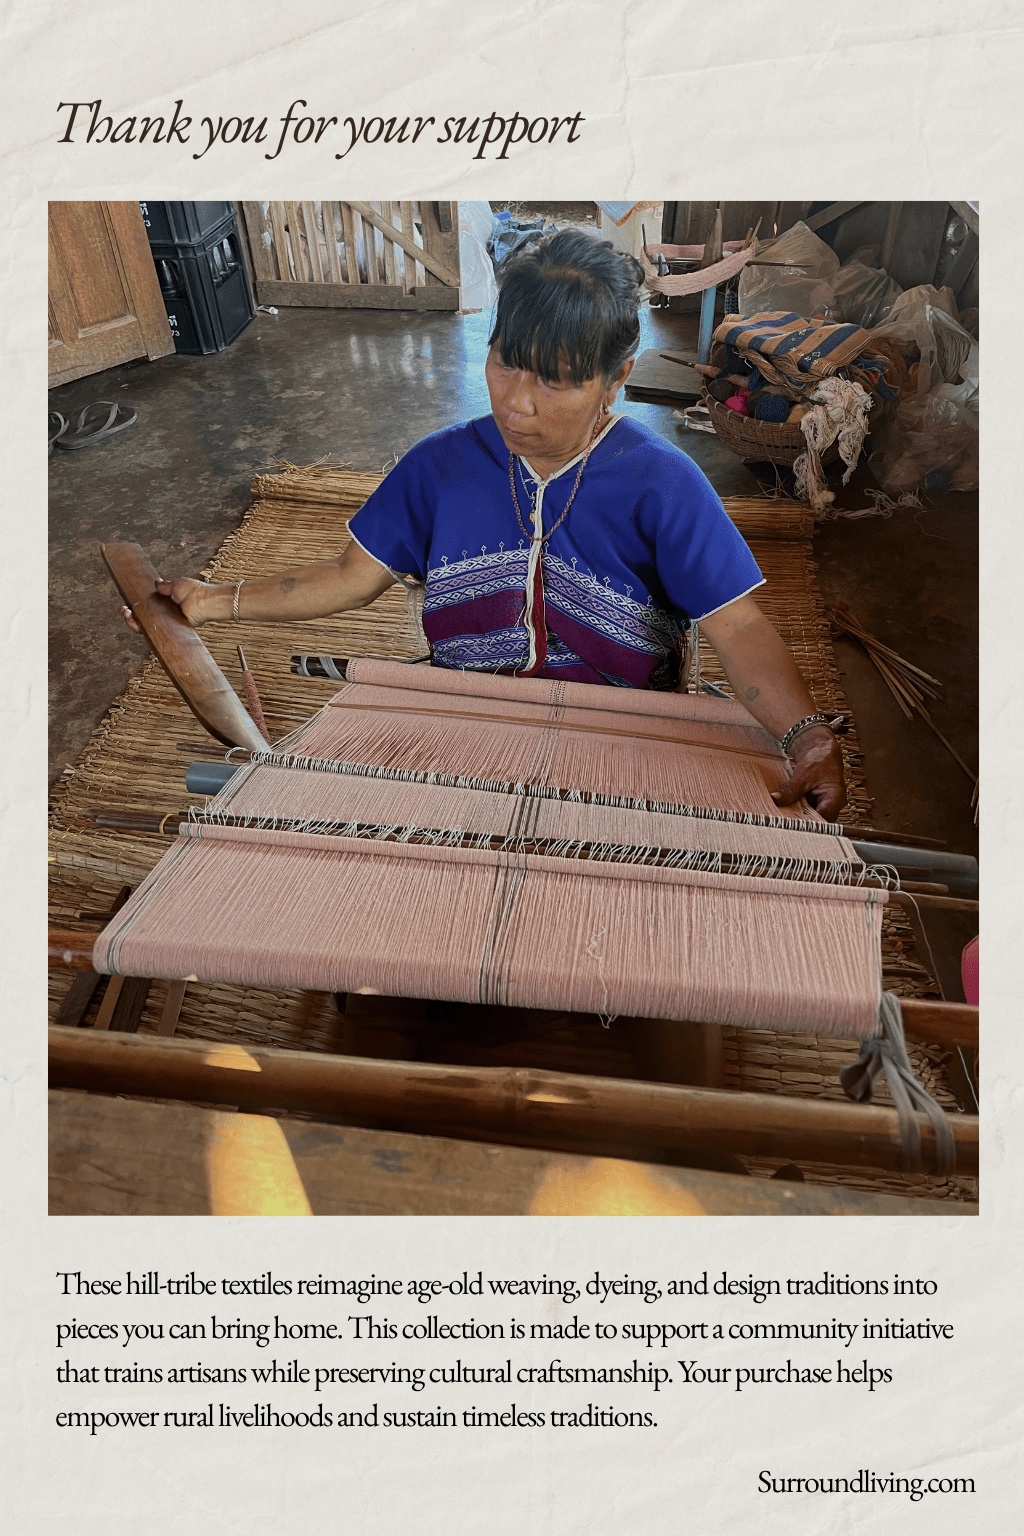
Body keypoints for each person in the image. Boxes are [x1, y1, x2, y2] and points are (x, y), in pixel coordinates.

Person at [123, 229, 846, 817]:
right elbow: (349, 578)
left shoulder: (663, 485)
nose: (517, 404)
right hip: (465, 722)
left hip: (622, 739)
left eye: (556, 381)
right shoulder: (441, 468)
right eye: (506, 365)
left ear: (615, 379)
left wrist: (806, 734)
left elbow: (739, 628)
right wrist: (211, 600)